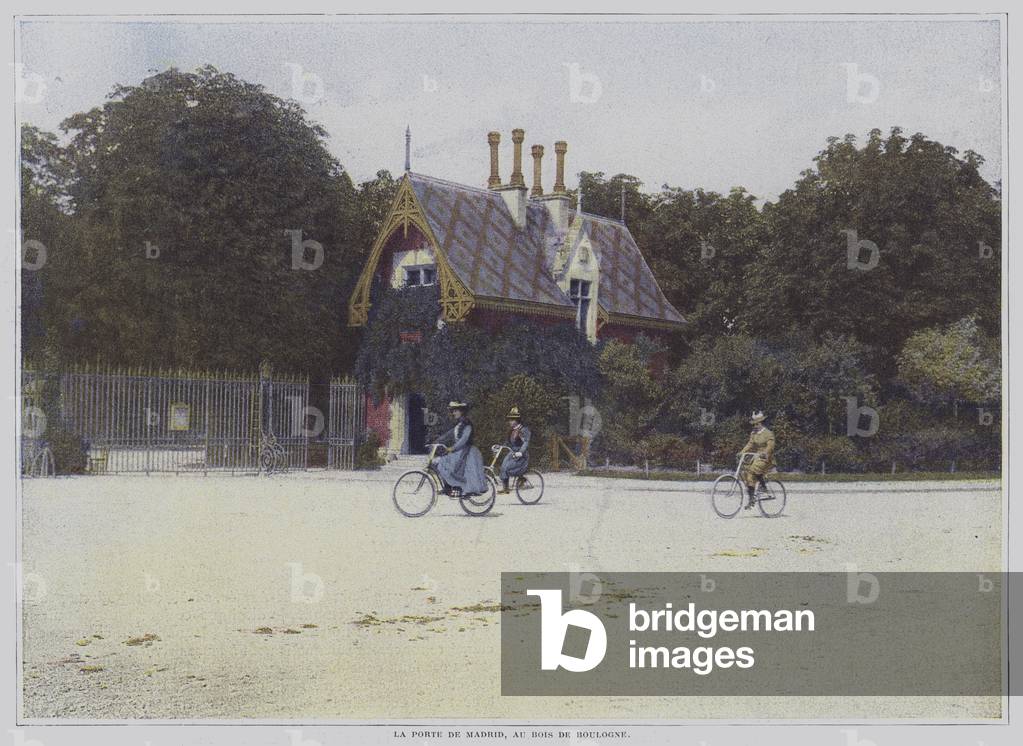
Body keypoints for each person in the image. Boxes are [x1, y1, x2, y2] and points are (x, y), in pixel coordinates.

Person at [434, 401, 488, 497]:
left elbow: (463, 440)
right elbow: (448, 435)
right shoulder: (459, 424)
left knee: (448, 464)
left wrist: (452, 448)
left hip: (467, 452)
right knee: (440, 463)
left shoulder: (467, 424)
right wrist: (436, 441)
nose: (453, 413)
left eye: (455, 411)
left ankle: (458, 488)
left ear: (461, 412)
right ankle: (448, 487)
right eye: (453, 411)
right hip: (459, 451)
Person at [739, 410, 775, 509]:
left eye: (757, 424)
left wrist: (765, 453)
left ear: (761, 423)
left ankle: (763, 486)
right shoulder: (753, 433)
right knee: (747, 473)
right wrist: (742, 452)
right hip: (757, 456)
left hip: (766, 458)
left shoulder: (768, 433)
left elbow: (770, 446)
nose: (755, 426)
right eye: (754, 424)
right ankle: (751, 500)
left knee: (754, 468)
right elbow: (750, 444)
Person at [498, 406, 531, 494]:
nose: (510, 422)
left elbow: (526, 443)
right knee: (503, 467)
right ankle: (506, 488)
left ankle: (522, 480)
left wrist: (520, 452)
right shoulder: (512, 430)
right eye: (509, 420)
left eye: (512, 420)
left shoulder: (522, 430)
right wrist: (500, 447)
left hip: (521, 455)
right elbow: (508, 442)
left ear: (517, 420)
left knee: (509, 467)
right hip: (512, 452)